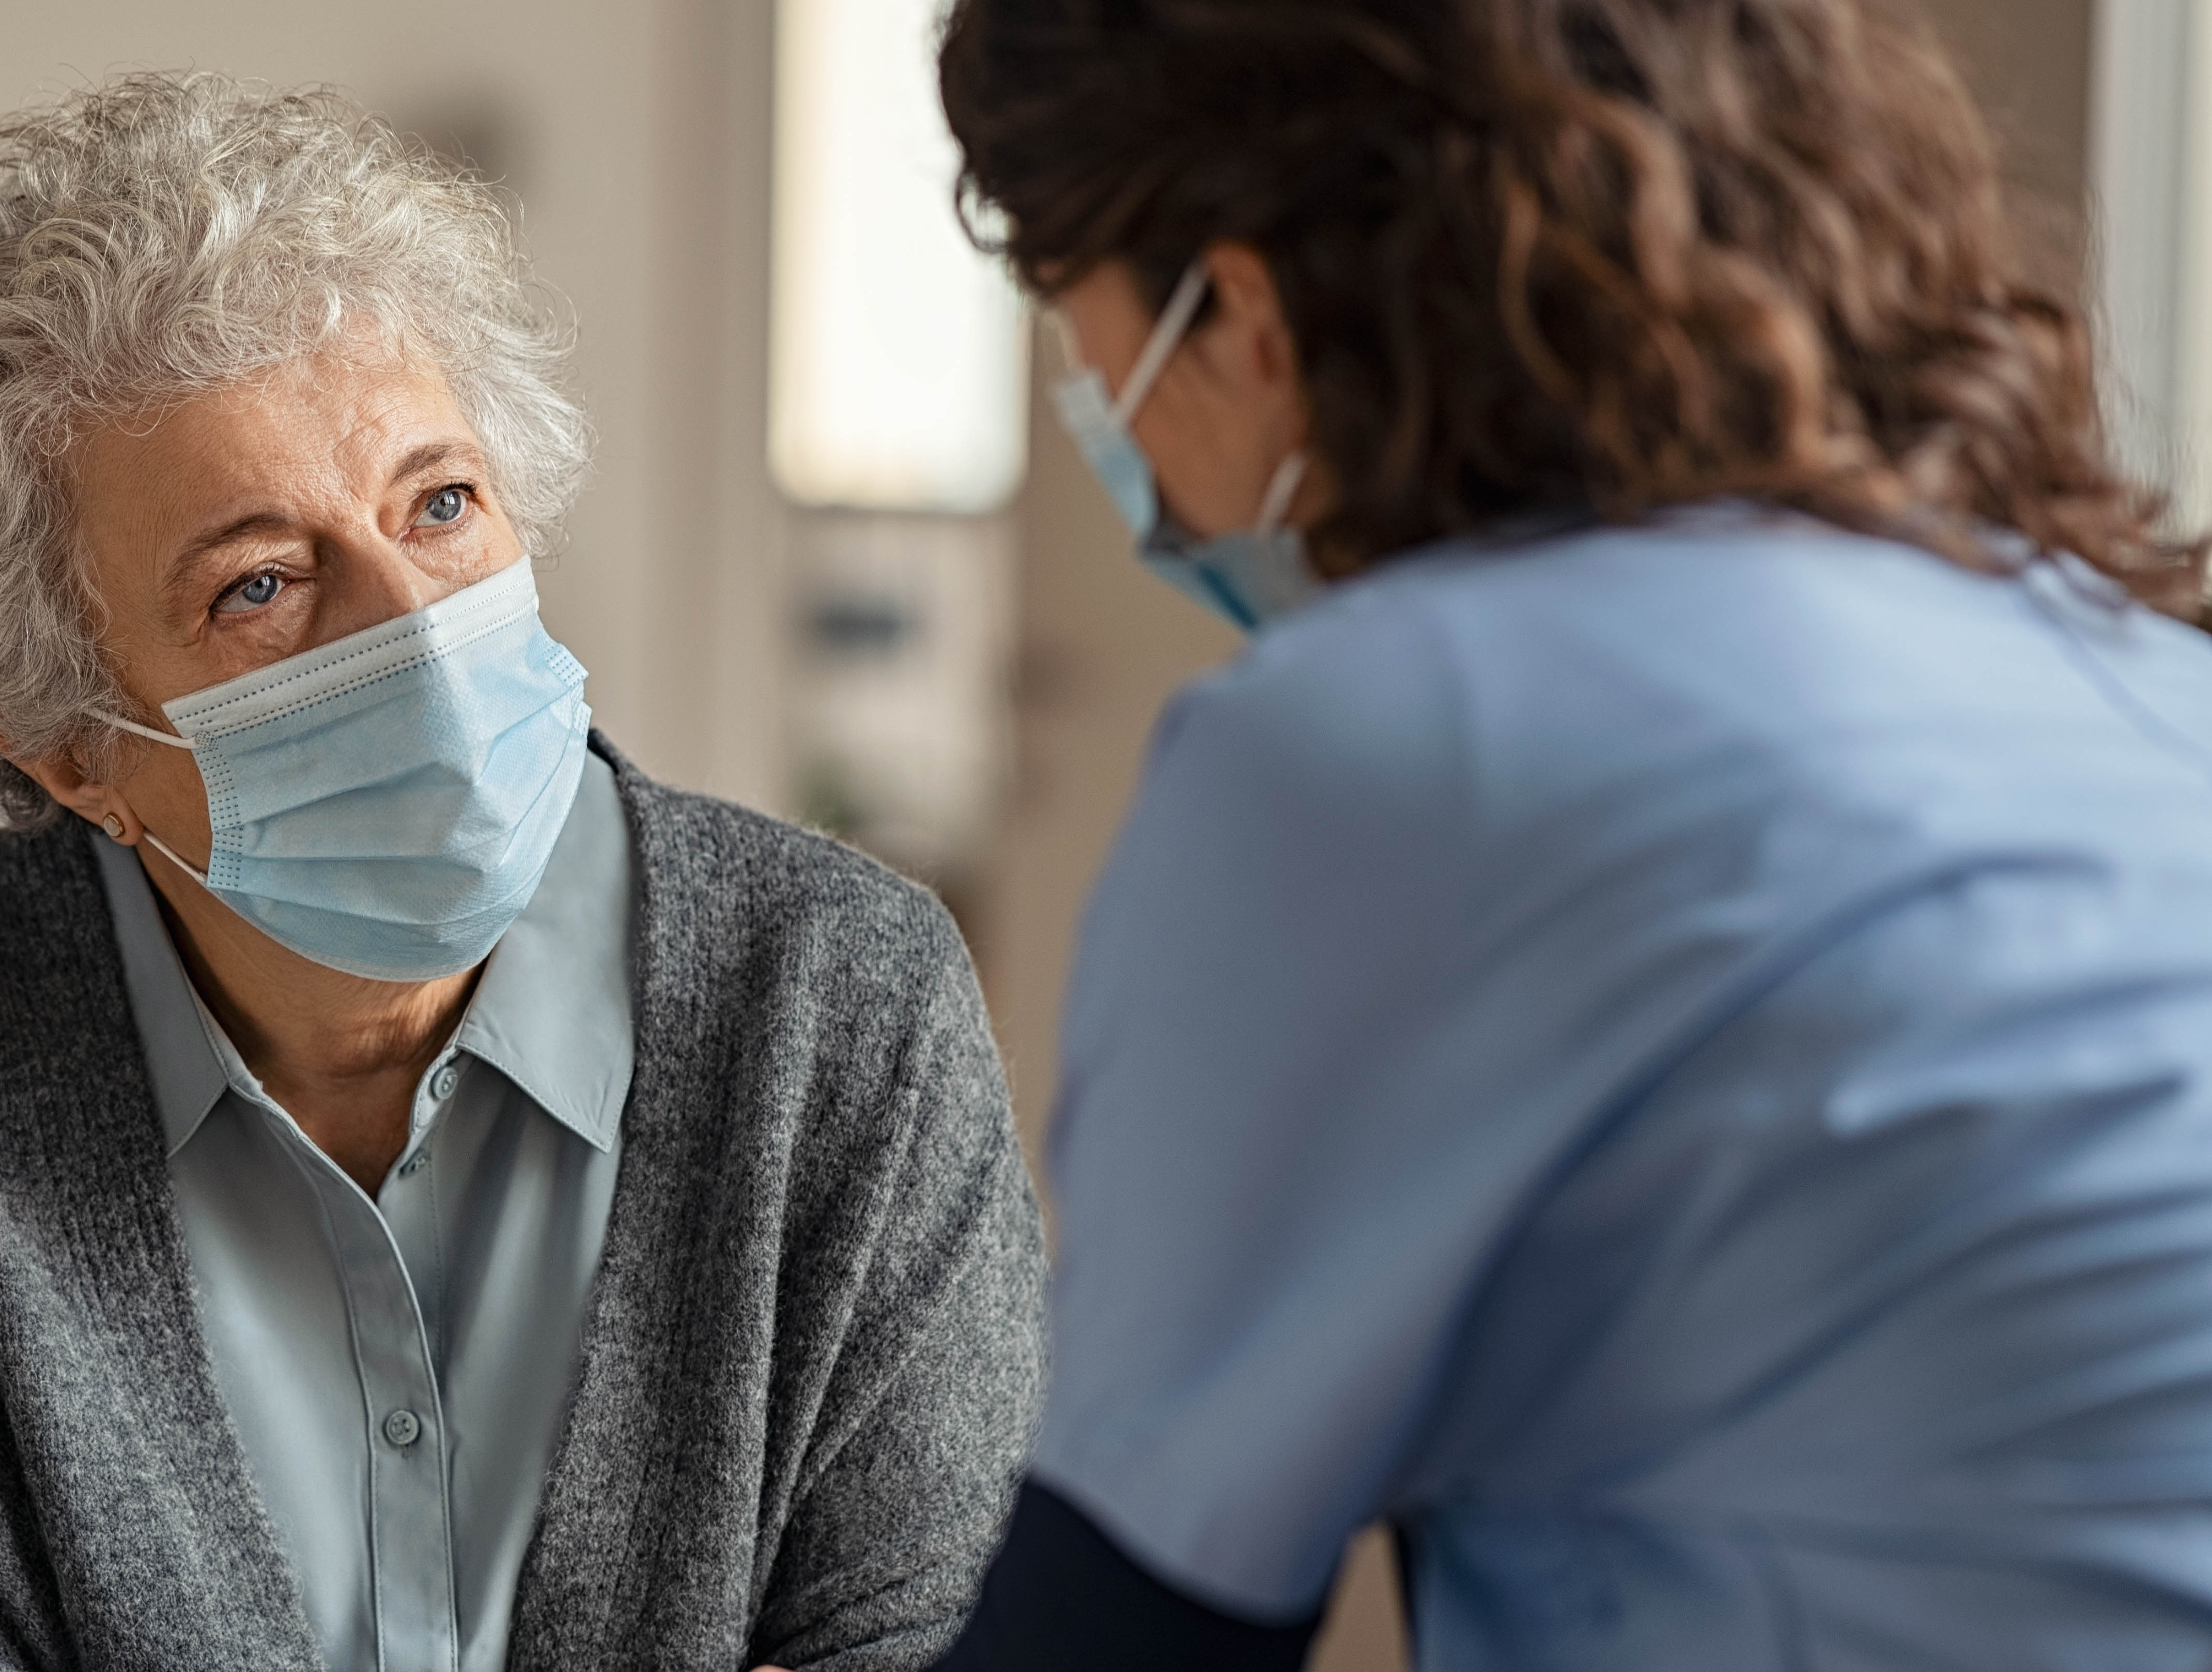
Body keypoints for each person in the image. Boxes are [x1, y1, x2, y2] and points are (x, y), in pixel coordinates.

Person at [0, 74, 1043, 1672]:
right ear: (65, 748)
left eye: (441, 503)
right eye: (261, 585)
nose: (414, 630)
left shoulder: (850, 1007)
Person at [924, 1, 2212, 1667]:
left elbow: (1115, 1641)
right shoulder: (2129, 662)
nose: (1106, 416)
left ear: (1238, 312)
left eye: (1084, 339)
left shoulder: (1391, 742)